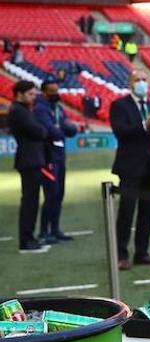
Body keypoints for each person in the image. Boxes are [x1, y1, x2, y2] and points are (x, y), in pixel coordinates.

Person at [110, 71, 150, 270]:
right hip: (130, 166)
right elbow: (121, 132)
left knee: (147, 212)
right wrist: (145, 125)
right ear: (129, 84)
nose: (142, 83)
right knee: (126, 212)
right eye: (138, 80)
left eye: (144, 80)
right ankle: (120, 255)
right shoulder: (119, 106)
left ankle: (142, 253)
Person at [34, 79, 78, 244]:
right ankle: (44, 231)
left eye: (56, 90)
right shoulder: (40, 109)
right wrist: (60, 129)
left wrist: (60, 129)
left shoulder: (58, 108)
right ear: (44, 92)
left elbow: (72, 130)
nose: (56, 94)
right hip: (48, 157)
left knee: (59, 194)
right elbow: (52, 131)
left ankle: (55, 229)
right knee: (51, 194)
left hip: (60, 155)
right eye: (52, 91)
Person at [10, 80, 50, 253]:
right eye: (30, 94)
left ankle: (29, 237)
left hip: (32, 159)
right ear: (20, 93)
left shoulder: (24, 110)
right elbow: (40, 131)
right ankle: (26, 240)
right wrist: (42, 130)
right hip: (29, 160)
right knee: (29, 201)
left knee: (32, 201)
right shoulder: (19, 111)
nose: (33, 97)